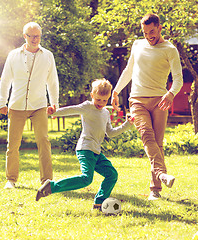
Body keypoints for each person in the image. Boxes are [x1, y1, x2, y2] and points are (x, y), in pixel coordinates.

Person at [111, 13, 183, 200]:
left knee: (157, 144)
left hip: (159, 100)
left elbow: (178, 79)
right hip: (137, 100)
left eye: (152, 31)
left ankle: (155, 190)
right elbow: (129, 70)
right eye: (145, 33)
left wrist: (170, 94)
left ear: (160, 28)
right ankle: (161, 174)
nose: (149, 36)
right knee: (147, 136)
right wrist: (116, 91)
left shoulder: (170, 50)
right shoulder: (138, 45)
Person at [35, 79, 133, 210]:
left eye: (104, 101)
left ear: (108, 98)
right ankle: (51, 187)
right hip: (85, 149)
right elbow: (72, 109)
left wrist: (127, 124)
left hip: (96, 152)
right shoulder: (87, 107)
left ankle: (99, 203)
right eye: (98, 100)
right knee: (87, 179)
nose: (101, 103)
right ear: (92, 95)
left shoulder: (105, 113)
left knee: (112, 174)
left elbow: (110, 132)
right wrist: (55, 112)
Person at [0, 22, 59, 189]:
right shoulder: (13, 55)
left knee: (43, 141)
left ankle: (47, 180)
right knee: (13, 144)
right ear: (25, 36)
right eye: (31, 36)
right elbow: (5, 80)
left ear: (40, 36)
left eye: (37, 36)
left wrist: (54, 102)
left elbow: (52, 81)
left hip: (39, 105)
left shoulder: (48, 55)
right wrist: (2, 102)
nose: (34, 39)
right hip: (16, 105)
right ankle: (11, 180)